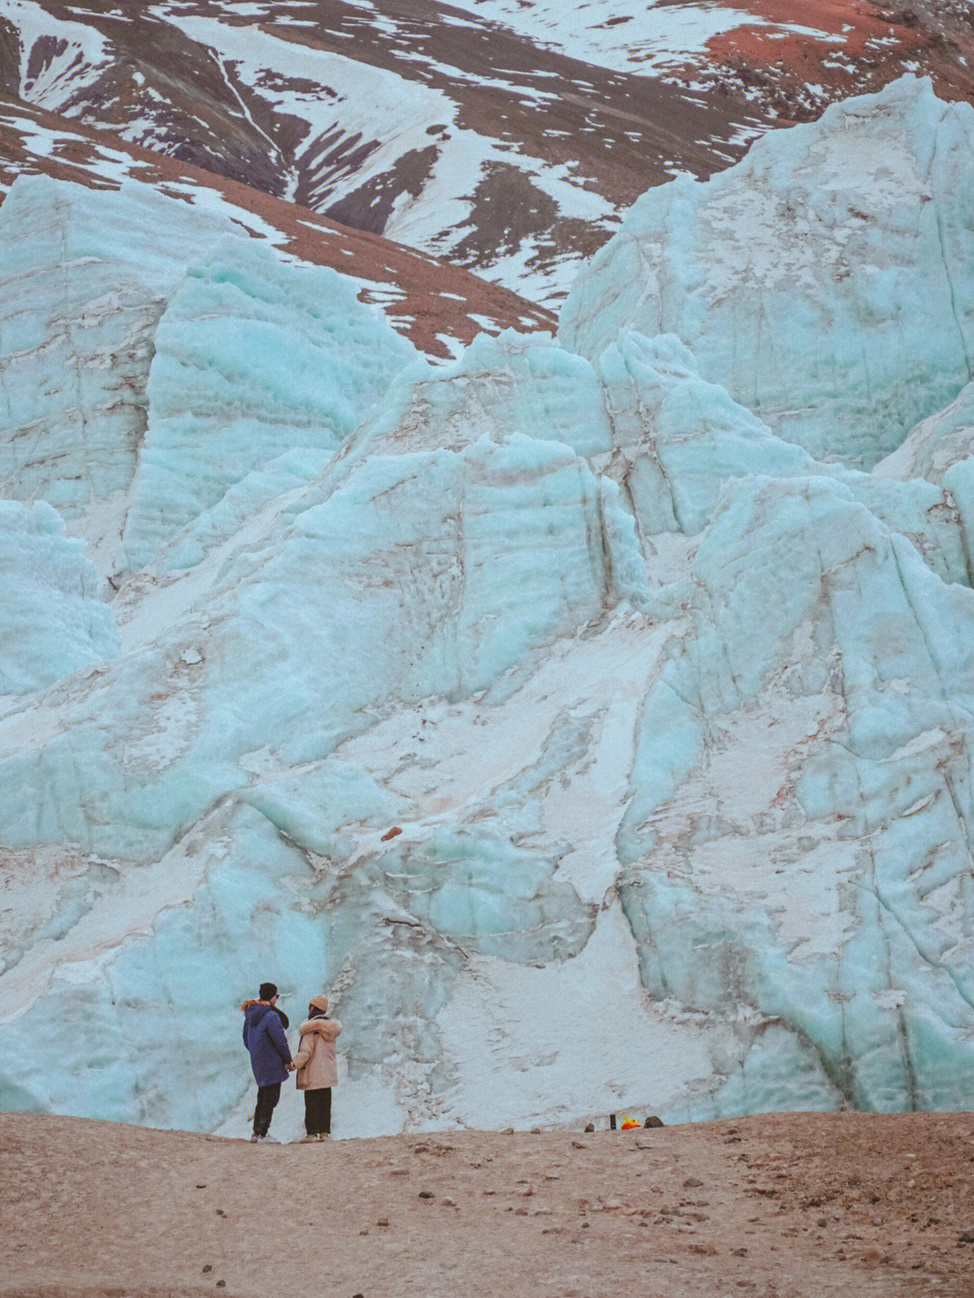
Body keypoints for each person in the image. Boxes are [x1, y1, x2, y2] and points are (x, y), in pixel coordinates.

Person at [241, 981, 294, 1142]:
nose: (276, 999)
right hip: (272, 1062)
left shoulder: (250, 1015)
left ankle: (256, 1133)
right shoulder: (271, 1016)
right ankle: (263, 1134)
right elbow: (280, 1040)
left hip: (258, 1062)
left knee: (262, 1095)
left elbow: (246, 1039)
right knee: (270, 1097)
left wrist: (257, 1053)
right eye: (276, 996)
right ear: (272, 996)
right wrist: (287, 1059)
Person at [292, 993, 342, 1141]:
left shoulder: (310, 1029)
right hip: (327, 1073)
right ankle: (325, 1133)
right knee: (325, 1104)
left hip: (313, 1073)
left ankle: (312, 1133)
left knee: (312, 1104)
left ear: (313, 1008)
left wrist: (294, 1064)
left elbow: (306, 1052)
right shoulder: (331, 1030)